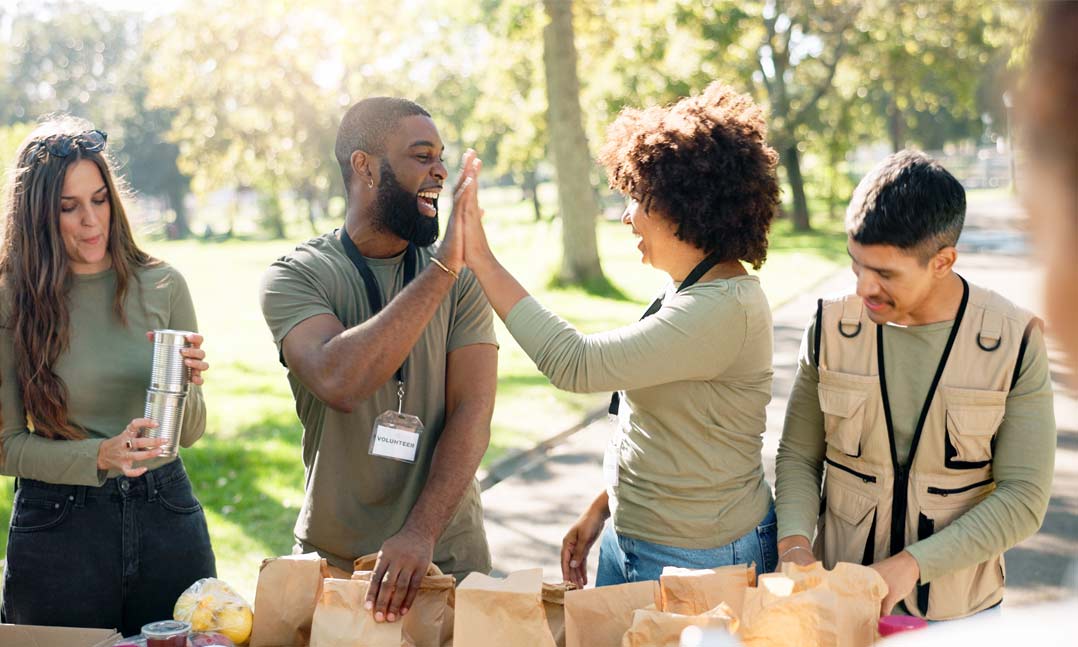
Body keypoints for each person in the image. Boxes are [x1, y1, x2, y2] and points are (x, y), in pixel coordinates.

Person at [457, 81, 781, 587]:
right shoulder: (690, 288)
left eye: (637, 198)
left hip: (699, 560)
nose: (627, 215)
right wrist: (601, 511)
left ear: (685, 205)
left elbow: (575, 363)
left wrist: (478, 255)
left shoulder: (724, 309)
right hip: (633, 539)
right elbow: (665, 429)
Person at [775, 150, 1056, 620]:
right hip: (836, 610)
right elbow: (799, 456)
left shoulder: (1016, 341)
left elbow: (1024, 497)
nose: (864, 287)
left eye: (885, 273)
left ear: (943, 261)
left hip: (961, 619)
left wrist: (910, 566)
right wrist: (794, 547)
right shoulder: (827, 328)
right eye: (856, 264)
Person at [259, 97, 496, 623]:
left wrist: (421, 532)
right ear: (364, 166)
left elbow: (473, 413)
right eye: (421, 155)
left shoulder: (461, 278)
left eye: (442, 156)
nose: (439, 169)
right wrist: (442, 271)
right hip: (338, 569)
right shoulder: (297, 275)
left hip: (447, 560)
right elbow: (337, 379)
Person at [0, 117, 215, 635]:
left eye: (99, 200)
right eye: (68, 208)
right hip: (57, 526)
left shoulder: (162, 284)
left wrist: (187, 385)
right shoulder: (13, 298)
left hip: (166, 513)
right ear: (37, 216)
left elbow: (188, 433)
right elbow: (5, 446)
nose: (91, 222)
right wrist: (100, 456)